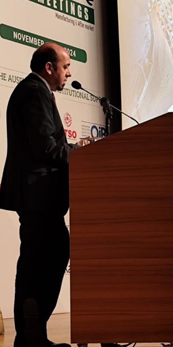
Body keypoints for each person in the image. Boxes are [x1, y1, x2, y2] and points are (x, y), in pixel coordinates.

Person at [0, 43, 89, 347]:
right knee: (38, 261)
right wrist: (79, 150)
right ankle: (30, 333)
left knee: (40, 259)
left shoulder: (35, 91)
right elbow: (46, 148)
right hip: (38, 196)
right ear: (49, 68)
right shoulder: (34, 91)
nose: (69, 73)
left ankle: (33, 333)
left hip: (39, 197)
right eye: (66, 66)